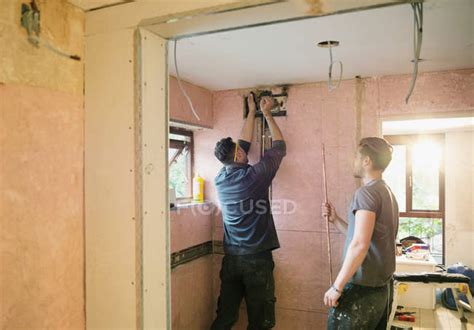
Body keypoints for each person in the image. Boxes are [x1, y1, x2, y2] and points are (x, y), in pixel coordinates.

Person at [211, 94, 286, 330]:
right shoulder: (253, 177)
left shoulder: (221, 178)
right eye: (240, 150)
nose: (244, 150)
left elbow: (241, 146)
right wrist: (267, 113)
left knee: (225, 318)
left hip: (232, 260)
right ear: (239, 156)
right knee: (260, 322)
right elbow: (280, 147)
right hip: (257, 261)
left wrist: (251, 110)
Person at [321, 137, 399, 329]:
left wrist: (336, 287)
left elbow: (359, 245)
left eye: (356, 156)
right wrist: (336, 220)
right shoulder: (386, 192)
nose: (353, 161)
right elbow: (364, 237)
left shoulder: (366, 193)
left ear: (367, 161)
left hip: (361, 291)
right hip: (381, 290)